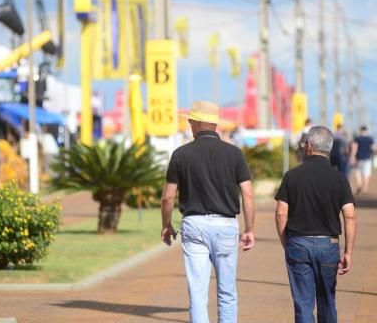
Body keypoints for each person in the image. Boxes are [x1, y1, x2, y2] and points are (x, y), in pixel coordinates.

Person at [161, 100, 255, 323]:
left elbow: (167, 197)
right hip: (225, 226)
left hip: (194, 225)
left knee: (197, 292)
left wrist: (166, 225)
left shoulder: (180, 154)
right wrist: (249, 228)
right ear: (215, 125)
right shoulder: (234, 154)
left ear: (195, 123)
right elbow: (248, 195)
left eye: (190, 122)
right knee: (227, 291)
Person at [275, 126, 356, 323]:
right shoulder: (339, 178)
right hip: (329, 245)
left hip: (298, 243)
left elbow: (281, 212)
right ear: (329, 148)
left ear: (309, 146)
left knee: (303, 303)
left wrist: (286, 241)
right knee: (327, 300)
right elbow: (350, 216)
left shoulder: (291, 176)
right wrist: (348, 252)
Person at [350, 125, 375, 194]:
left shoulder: (357, 138)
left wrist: (352, 157)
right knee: (366, 174)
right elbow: (373, 148)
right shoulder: (370, 139)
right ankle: (365, 188)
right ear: (366, 131)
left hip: (359, 159)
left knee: (358, 172)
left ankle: (359, 184)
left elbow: (354, 148)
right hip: (367, 159)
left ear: (360, 131)